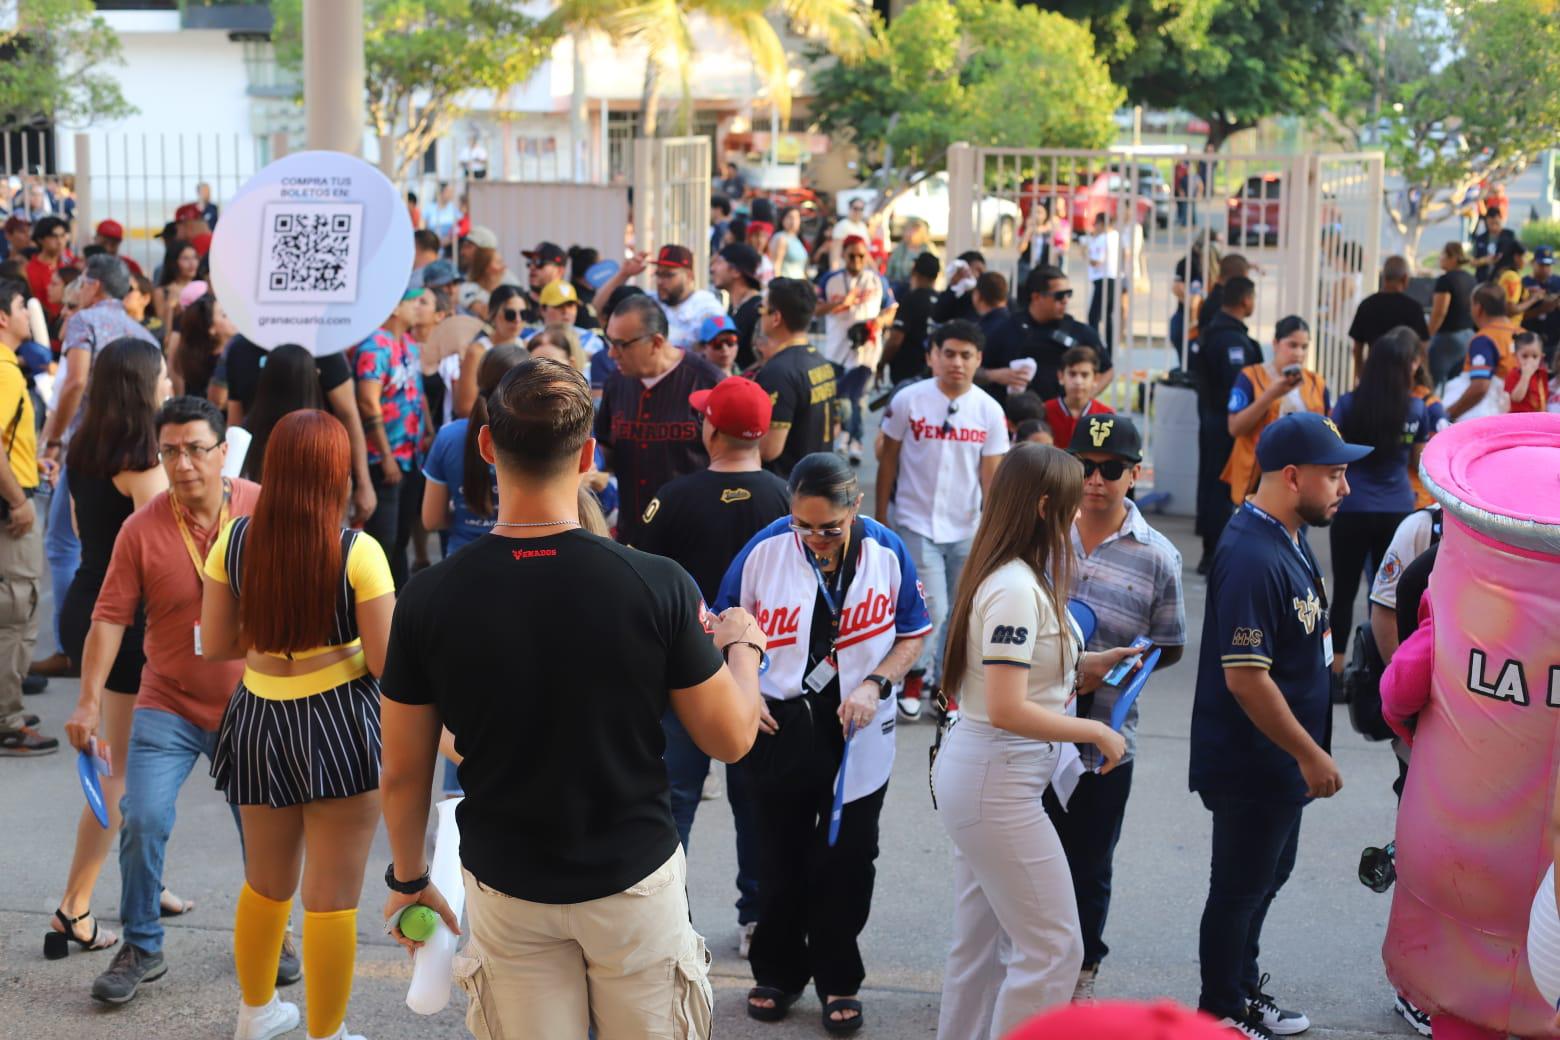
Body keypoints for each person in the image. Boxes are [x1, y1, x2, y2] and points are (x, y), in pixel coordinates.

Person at [379, 357, 762, 1036]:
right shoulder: (655, 583)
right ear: (588, 454)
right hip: (631, 880)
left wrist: (409, 880)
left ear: (488, 445)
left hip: (508, 884)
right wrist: (744, 649)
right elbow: (730, 738)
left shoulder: (430, 596)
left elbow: (404, 768)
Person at [74, 397, 281, 1001]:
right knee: (141, 817)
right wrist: (87, 702)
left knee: (266, 832)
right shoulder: (140, 528)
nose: (183, 463)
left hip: (254, 702)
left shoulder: (262, 509)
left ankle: (277, 934)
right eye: (170, 451)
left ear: (224, 451)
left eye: (195, 448)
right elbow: (109, 617)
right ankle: (141, 944)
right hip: (166, 700)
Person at [930, 442, 1140, 1037]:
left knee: (982, 948)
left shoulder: (1013, 576)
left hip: (989, 778)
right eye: (1072, 504)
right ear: (1046, 505)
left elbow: (1014, 680)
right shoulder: (1017, 586)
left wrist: (1087, 665)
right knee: (1053, 948)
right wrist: (1095, 728)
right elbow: (1005, 706)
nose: (1080, 514)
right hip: (997, 781)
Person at [717, 452, 930, 1032]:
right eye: (802, 524)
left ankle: (839, 977)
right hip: (779, 724)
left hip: (858, 728)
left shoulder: (887, 549)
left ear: (855, 507)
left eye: (829, 528)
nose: (814, 538)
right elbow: (720, 624)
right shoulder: (764, 548)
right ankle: (778, 973)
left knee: (849, 858)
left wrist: (877, 681)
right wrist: (747, 686)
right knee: (778, 854)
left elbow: (913, 632)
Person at [203, 410, 393, 1040]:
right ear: (335, 473)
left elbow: (216, 645)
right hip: (341, 722)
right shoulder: (357, 552)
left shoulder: (231, 541)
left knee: (265, 885)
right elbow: (390, 664)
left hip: (256, 717)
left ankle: (255, 1014)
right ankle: (326, 1032)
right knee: (333, 896)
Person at [1190, 412, 1369, 1038]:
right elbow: (1246, 678)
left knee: (1267, 877)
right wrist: (1309, 754)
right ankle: (1219, 1011)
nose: (1345, 488)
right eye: (1336, 475)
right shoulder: (1250, 554)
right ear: (1293, 477)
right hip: (1255, 760)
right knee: (1239, 889)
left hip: (1280, 761)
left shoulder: (1287, 534)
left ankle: (1241, 990)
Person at [636, 375, 789, 957]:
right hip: (764, 674)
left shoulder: (671, 498)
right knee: (755, 805)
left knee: (674, 801)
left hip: (681, 674)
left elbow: (639, 581)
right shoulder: (783, 497)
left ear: (711, 430)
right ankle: (755, 920)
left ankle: (667, 916)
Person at [1042, 415, 1187, 1002]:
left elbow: (1169, 645)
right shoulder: (1043, 533)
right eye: (1083, 467)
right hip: (1032, 726)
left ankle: (1081, 971)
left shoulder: (1159, 557)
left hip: (1103, 737)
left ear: (1135, 474)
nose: (1095, 480)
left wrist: (1119, 671)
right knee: (1029, 855)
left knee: (1088, 863)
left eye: (1109, 470)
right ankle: (1031, 961)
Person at [34, 255, 159, 679]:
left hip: (87, 449)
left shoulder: (85, 322)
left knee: (68, 545)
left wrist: (54, 439)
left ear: (94, 286)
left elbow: (73, 382)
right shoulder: (143, 334)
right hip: (133, 447)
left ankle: (70, 648)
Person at [876, 321, 1009, 720]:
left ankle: (946, 686)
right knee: (932, 605)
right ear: (932, 355)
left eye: (966, 355)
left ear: (979, 360)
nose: (956, 362)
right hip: (916, 522)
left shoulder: (990, 410)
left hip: (966, 528)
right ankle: (914, 677)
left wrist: (994, 530)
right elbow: (888, 463)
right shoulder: (908, 401)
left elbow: (992, 478)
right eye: (948, 353)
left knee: (960, 611)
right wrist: (882, 517)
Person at [1327, 328, 1430, 678]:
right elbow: (1418, 462)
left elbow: (1331, 451)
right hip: (1397, 509)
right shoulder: (1416, 409)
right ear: (1405, 367)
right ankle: (1379, 668)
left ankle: (1336, 669)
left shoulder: (1347, 404)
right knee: (1386, 594)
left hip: (1352, 506)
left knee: (1342, 591)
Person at [595, 293, 721, 546]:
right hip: (633, 533)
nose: (611, 353)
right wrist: (591, 463)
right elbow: (607, 444)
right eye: (609, 341)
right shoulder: (617, 382)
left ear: (656, 342)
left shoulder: (707, 381)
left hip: (694, 535)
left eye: (621, 344)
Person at [0, 280, 50, 754]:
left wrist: (32, 463)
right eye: (20, 306)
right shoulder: (5, 370)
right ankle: (6, 721)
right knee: (16, 610)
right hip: (8, 511)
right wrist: (18, 500)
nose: (26, 314)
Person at [356, 284, 432, 588]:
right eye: (413, 302)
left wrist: (428, 428)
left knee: (401, 537)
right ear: (393, 308)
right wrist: (385, 455)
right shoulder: (374, 346)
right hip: (384, 457)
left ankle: (398, 603)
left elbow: (418, 393)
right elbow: (366, 401)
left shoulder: (410, 345)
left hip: (412, 455)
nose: (418, 308)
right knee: (382, 540)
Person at [422, 344, 526, 554]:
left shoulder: (448, 437)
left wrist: (464, 519)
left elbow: (431, 520)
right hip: (523, 560)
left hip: (462, 559)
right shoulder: (539, 438)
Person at [1193, 276, 1262, 573]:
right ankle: (1217, 555)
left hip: (1212, 419)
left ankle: (1212, 552)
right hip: (1228, 424)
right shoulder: (1233, 340)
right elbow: (1238, 387)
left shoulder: (1211, 332)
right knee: (1225, 490)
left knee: (1212, 485)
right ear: (1246, 300)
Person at [1223, 316, 1330, 505]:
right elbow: (1235, 428)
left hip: (1301, 477)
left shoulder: (1316, 383)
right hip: (1257, 476)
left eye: (1304, 347)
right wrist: (1270, 395)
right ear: (1275, 344)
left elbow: (1329, 429)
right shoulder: (1251, 376)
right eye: (1292, 345)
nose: (1298, 353)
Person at [983, 266, 1110, 403]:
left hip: (1062, 418)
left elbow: (1107, 370)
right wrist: (994, 375)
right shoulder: (1007, 329)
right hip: (1016, 417)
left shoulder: (1079, 332)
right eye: (1059, 295)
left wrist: (1084, 397)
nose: (1065, 300)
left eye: (1069, 294)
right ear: (1036, 297)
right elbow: (976, 369)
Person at [820, 235, 893, 464]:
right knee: (841, 399)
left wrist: (878, 323)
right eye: (852, 255)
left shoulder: (877, 280)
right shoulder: (829, 280)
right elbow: (815, 308)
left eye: (861, 255)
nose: (857, 260)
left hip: (867, 352)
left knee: (858, 399)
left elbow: (891, 309)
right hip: (837, 350)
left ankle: (855, 440)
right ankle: (846, 435)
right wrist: (843, 303)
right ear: (843, 255)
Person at [753, 277, 836, 478]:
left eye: (762, 310)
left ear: (776, 318)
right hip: (816, 483)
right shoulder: (821, 362)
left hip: (787, 490)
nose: (760, 316)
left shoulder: (777, 372)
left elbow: (768, 449)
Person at [1348, 256, 1430, 379]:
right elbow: (1422, 348)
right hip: (1403, 375)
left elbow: (1357, 349)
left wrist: (1360, 376)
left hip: (1374, 372)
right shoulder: (1414, 308)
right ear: (1405, 278)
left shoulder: (1367, 305)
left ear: (1384, 277)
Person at [1446, 283, 1519, 421]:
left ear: (1478, 308)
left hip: (1494, 419)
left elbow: (1480, 386)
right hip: (1524, 416)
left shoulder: (1484, 339)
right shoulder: (1524, 334)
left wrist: (1449, 414)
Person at [1043, 346, 1114, 451]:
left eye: (1084, 375)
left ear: (1095, 379)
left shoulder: (1106, 415)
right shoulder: (1045, 410)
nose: (1078, 381)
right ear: (1061, 376)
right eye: (1072, 374)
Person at [170, 292, 237, 400]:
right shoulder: (222, 361)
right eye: (225, 315)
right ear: (211, 329)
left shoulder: (194, 358)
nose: (233, 317)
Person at [1427, 242, 1476, 388]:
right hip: (1468, 335)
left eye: (1443, 255)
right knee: (1457, 383)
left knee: (1431, 380)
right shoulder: (1471, 279)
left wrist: (1428, 336)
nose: (1440, 258)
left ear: (1453, 258)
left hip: (1448, 337)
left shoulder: (1445, 280)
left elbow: (1439, 312)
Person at [713, 243, 764, 370]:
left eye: (719, 262)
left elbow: (763, 359)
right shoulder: (734, 306)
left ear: (735, 271)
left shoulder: (758, 310)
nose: (712, 268)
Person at [1085, 213, 1122, 355]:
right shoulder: (1116, 236)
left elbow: (1097, 261)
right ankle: (1110, 349)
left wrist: (1086, 254)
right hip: (1113, 277)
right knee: (1107, 316)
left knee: (1093, 316)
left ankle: (1094, 348)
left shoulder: (1102, 239)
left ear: (1101, 223)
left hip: (1103, 279)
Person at [24, 216, 69, 320]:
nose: (60, 241)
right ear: (40, 239)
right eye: (54, 236)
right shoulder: (29, 270)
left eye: (63, 236)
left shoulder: (69, 264)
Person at [152, 240, 199, 331]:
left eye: (195, 257)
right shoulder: (162, 292)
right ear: (173, 262)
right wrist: (170, 307)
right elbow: (163, 330)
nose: (192, 263)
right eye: (185, 258)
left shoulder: (203, 288)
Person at [1504, 329, 1548, 413]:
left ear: (1541, 357)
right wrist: (1525, 376)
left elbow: (1544, 398)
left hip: (1538, 417)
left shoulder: (1542, 374)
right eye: (1525, 356)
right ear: (1515, 356)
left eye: (1535, 356)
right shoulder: (1513, 374)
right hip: (1520, 419)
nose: (1530, 361)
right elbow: (1516, 398)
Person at [1469, 206, 1515, 284]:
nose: (1494, 227)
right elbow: (1472, 262)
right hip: (1483, 280)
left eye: (1496, 223)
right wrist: (1485, 260)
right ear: (1486, 222)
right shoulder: (1481, 239)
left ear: (1501, 220)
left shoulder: (1509, 236)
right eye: (1491, 224)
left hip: (1504, 279)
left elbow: (1517, 258)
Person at [771, 207, 811, 280]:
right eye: (790, 217)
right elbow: (776, 265)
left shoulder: (797, 239)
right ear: (782, 219)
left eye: (796, 218)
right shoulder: (781, 238)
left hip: (799, 285)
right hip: (787, 285)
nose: (793, 221)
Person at [831, 198, 871, 268]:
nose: (858, 211)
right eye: (856, 208)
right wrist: (834, 270)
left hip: (861, 270)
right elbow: (836, 251)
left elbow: (866, 252)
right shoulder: (842, 225)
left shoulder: (863, 226)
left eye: (861, 209)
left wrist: (874, 269)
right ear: (849, 208)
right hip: (846, 270)